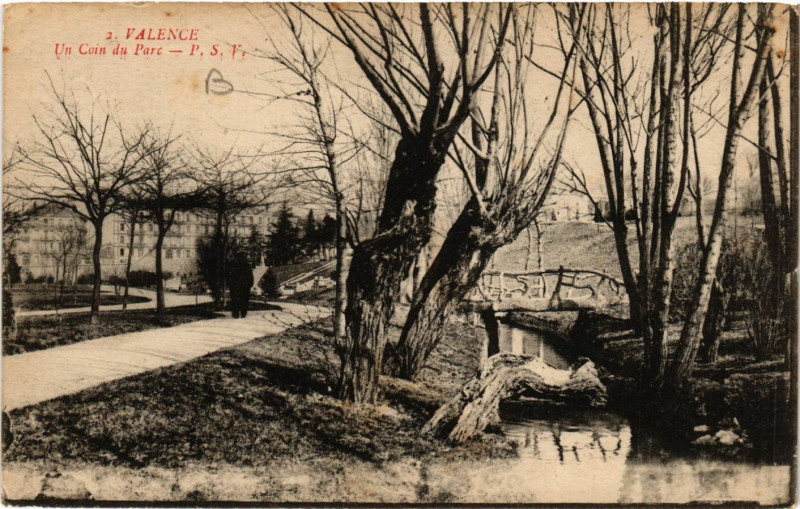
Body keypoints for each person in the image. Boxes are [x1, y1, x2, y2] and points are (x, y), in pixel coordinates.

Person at [226, 252, 254, 318]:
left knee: (236, 299)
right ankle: (242, 312)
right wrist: (250, 283)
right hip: (243, 285)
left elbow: (229, 275)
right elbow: (250, 275)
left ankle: (236, 313)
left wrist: (230, 284)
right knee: (243, 299)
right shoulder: (246, 265)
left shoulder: (234, 264)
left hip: (237, 285)